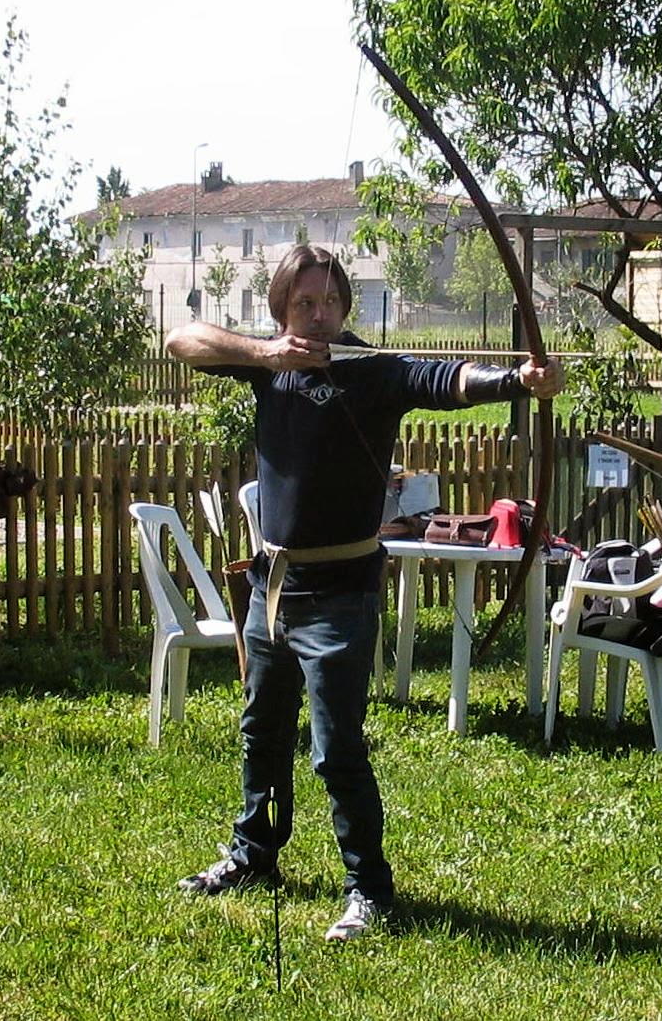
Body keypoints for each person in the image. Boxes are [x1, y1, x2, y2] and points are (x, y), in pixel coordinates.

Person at [165, 243, 564, 939]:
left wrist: (518, 381)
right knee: (261, 732)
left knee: (336, 749)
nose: (320, 316)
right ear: (283, 309)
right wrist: (266, 355)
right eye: (305, 304)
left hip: (341, 595)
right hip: (272, 589)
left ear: (346, 306)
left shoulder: (373, 372)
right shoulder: (268, 368)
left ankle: (369, 889)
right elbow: (180, 338)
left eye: (330, 302)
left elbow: (444, 378)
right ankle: (253, 855)